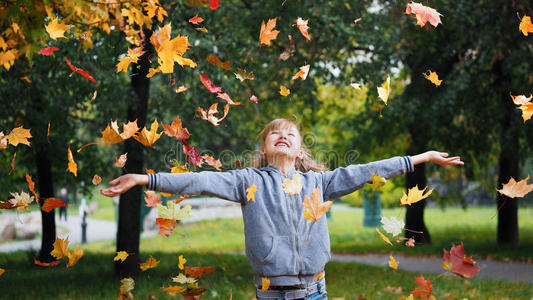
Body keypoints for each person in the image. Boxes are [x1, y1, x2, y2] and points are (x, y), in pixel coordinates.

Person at [101, 118, 463, 300]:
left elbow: (367, 171)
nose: (283, 136)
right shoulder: (248, 181)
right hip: (271, 292)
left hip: (315, 291)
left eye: (290, 134)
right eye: (275, 134)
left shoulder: (319, 183)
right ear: (265, 148)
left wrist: (419, 159)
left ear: (300, 151)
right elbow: (199, 181)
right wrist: (144, 180)